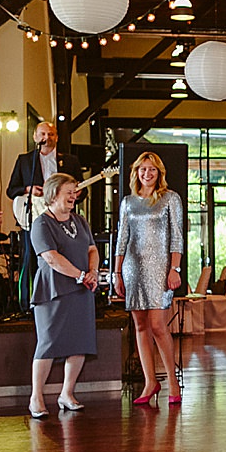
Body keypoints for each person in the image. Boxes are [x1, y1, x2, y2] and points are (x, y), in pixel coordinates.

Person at [112, 151, 185, 406]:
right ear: (136, 173)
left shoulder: (170, 199)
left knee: (157, 325)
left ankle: (173, 382)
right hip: (132, 268)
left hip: (161, 268)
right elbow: (122, 239)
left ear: (159, 173)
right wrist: (117, 273)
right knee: (140, 326)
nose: (147, 173)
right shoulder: (128, 202)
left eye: (152, 169)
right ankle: (150, 382)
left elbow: (176, 236)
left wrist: (174, 268)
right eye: (143, 169)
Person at [27, 173, 98, 418]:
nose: (73, 196)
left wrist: (93, 272)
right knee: (48, 343)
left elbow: (92, 249)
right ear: (53, 194)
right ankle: (36, 397)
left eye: (74, 192)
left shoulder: (80, 220)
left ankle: (67, 393)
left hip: (82, 289)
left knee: (79, 343)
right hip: (53, 290)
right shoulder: (41, 224)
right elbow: (51, 257)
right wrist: (80, 275)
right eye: (68, 192)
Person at [5, 120, 79, 309]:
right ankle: (27, 303)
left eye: (51, 134)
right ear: (35, 137)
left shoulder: (69, 161)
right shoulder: (24, 160)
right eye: (43, 134)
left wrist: (75, 194)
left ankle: (60, 299)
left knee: (61, 256)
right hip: (34, 218)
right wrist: (29, 189)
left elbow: (81, 190)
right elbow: (11, 190)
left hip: (61, 219)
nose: (47, 138)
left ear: (57, 137)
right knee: (30, 259)